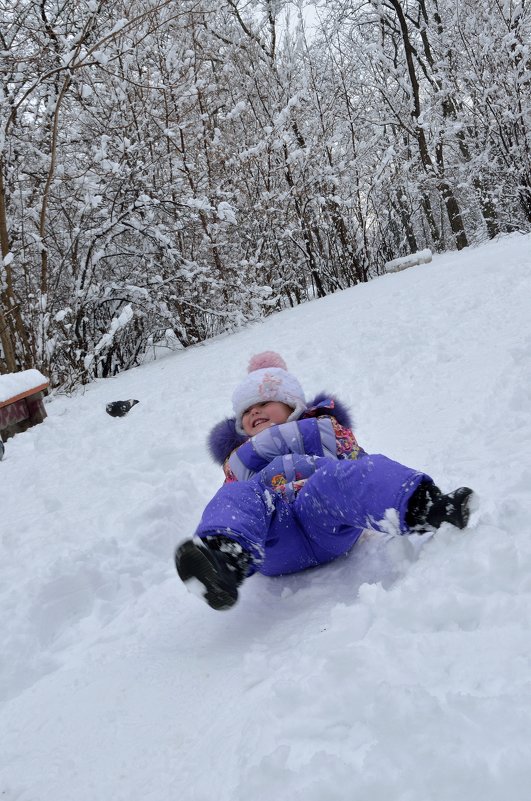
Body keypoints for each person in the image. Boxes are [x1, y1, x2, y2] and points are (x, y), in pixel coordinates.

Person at [175, 352, 474, 610]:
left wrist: (365, 496)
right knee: (240, 493)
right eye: (247, 412)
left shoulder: (323, 430)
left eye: (265, 402)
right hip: (275, 538)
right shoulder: (239, 459)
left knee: (335, 476)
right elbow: (235, 503)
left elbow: (359, 467)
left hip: (326, 518)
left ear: (292, 405)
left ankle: (423, 506)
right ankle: (226, 558)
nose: (255, 411)